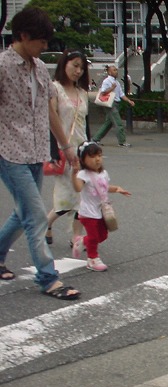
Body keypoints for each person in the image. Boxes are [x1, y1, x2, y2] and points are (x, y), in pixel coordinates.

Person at [0, 7, 80, 300]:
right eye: (41, 41)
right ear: (23, 36)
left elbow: (49, 111)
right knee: (35, 216)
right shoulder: (2, 66)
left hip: (35, 151)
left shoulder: (39, 68)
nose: (45, 47)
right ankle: (48, 278)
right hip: (9, 152)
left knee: (23, 212)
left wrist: (66, 147)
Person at [45, 50, 90, 247]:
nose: (78, 71)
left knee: (83, 195)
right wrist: (54, 152)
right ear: (64, 64)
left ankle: (76, 236)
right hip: (63, 150)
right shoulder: (54, 89)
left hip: (82, 151)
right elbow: (50, 120)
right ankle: (45, 224)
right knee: (66, 197)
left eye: (82, 68)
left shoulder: (82, 93)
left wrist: (90, 149)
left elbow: (85, 124)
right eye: (75, 65)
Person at [71, 141, 131, 271]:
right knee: (93, 237)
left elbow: (104, 187)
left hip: (100, 211)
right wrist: (74, 174)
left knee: (102, 236)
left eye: (99, 155)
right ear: (83, 159)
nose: (97, 159)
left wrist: (117, 189)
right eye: (92, 156)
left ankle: (82, 241)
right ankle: (92, 259)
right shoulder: (83, 175)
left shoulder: (103, 173)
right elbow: (78, 188)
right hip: (88, 212)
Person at [92, 65, 135, 148]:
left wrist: (129, 101)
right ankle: (122, 141)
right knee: (118, 123)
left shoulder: (117, 82)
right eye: (114, 70)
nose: (116, 72)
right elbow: (103, 92)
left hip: (116, 103)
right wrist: (111, 88)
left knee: (108, 123)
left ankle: (95, 139)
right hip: (111, 104)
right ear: (109, 72)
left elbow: (121, 94)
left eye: (116, 70)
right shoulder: (107, 81)